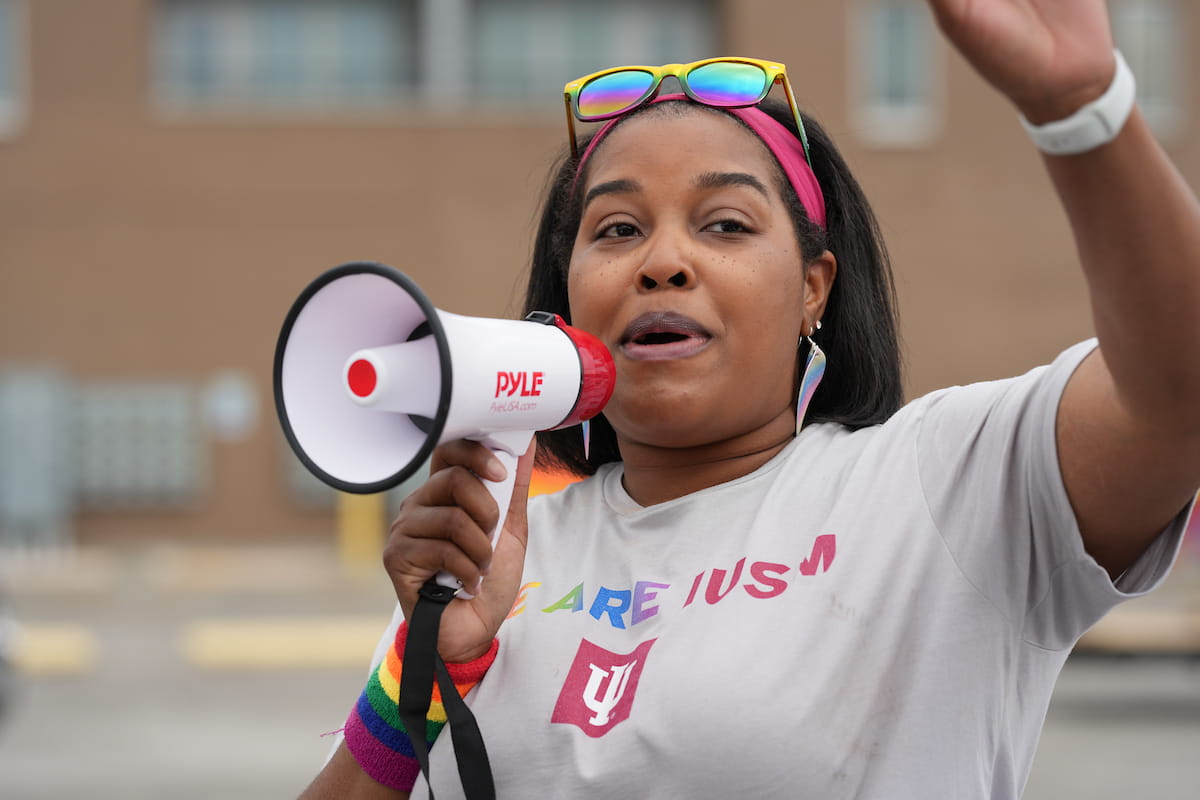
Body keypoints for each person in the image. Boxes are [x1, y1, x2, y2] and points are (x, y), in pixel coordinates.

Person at [301, 0, 1200, 797]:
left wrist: (1085, 113)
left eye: (724, 223)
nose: (661, 261)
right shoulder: (493, 555)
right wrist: (420, 680)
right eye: (616, 228)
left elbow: (1177, 395)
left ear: (813, 287)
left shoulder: (944, 487)